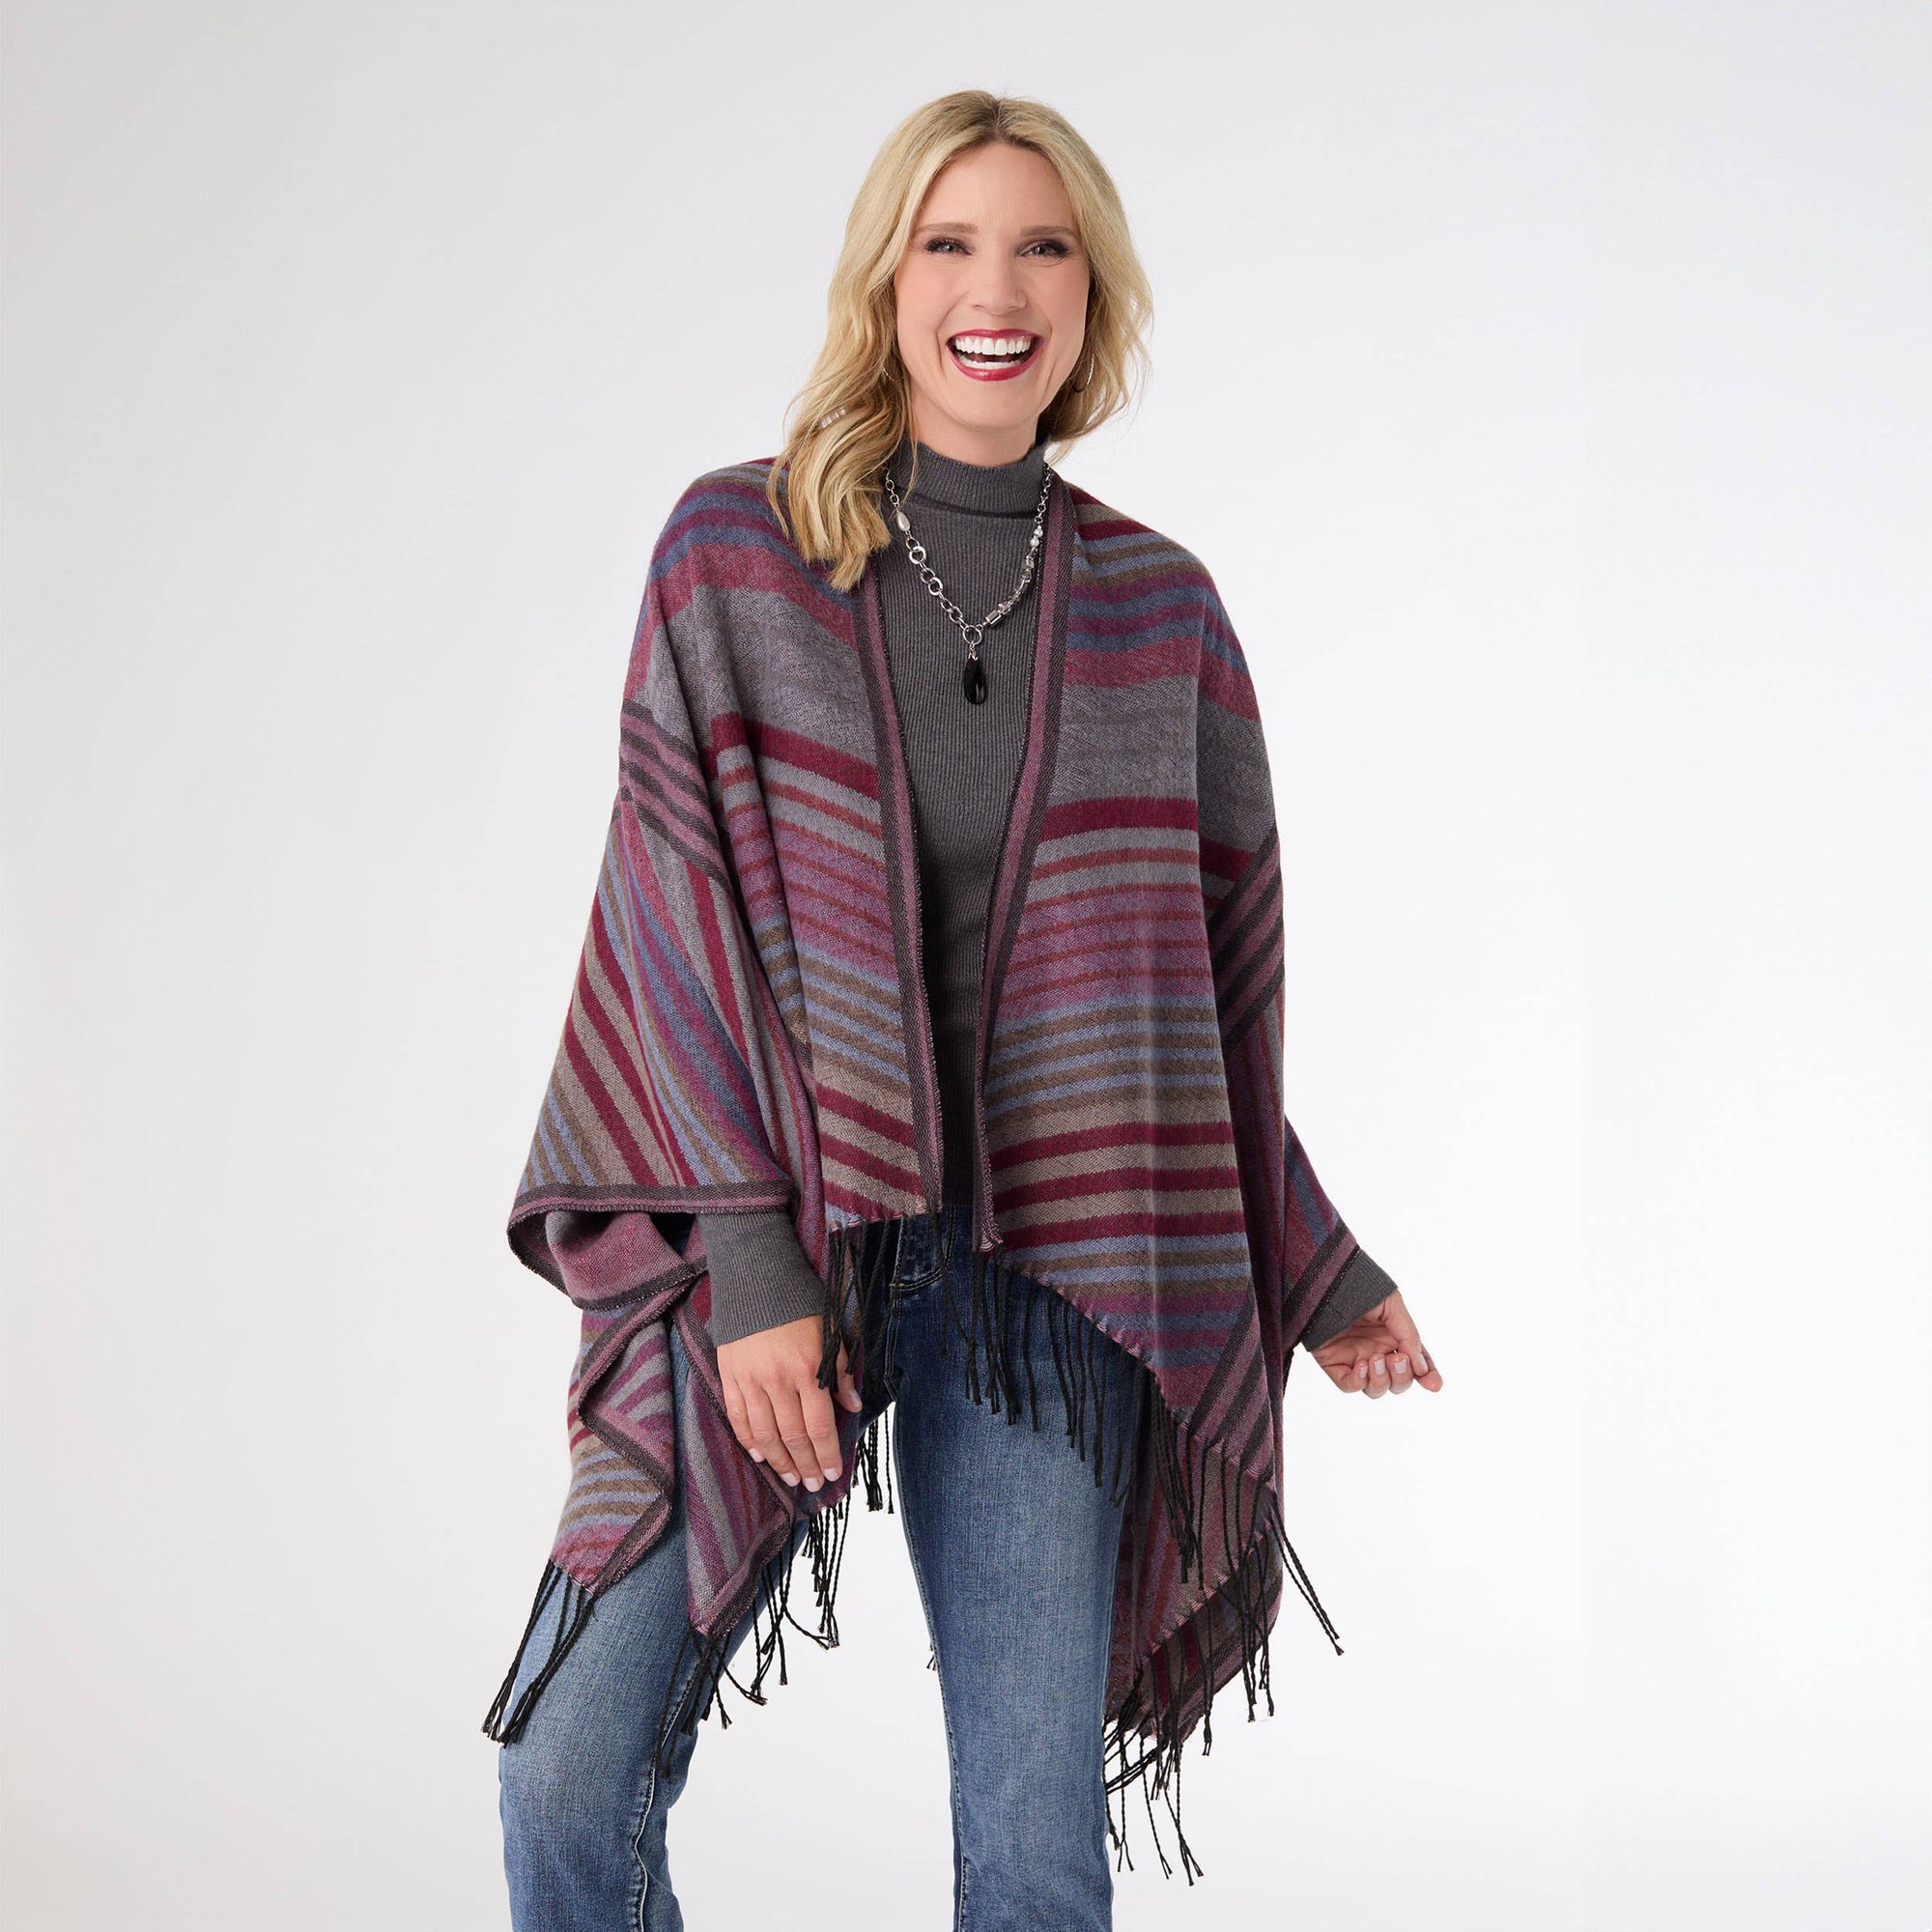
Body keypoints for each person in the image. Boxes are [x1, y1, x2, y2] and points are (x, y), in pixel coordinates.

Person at [485, 88, 1443, 1932]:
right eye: (950, 243)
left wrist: (1317, 1266)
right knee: (567, 1770)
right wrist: (754, 1271)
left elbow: (1196, 1021)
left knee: (1032, 1849)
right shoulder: (738, 554)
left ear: (1093, 292)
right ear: (885, 279)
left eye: (1042, 248)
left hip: (1050, 1281)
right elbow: (670, 926)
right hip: (780, 1246)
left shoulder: (1161, 614)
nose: (994, 291)